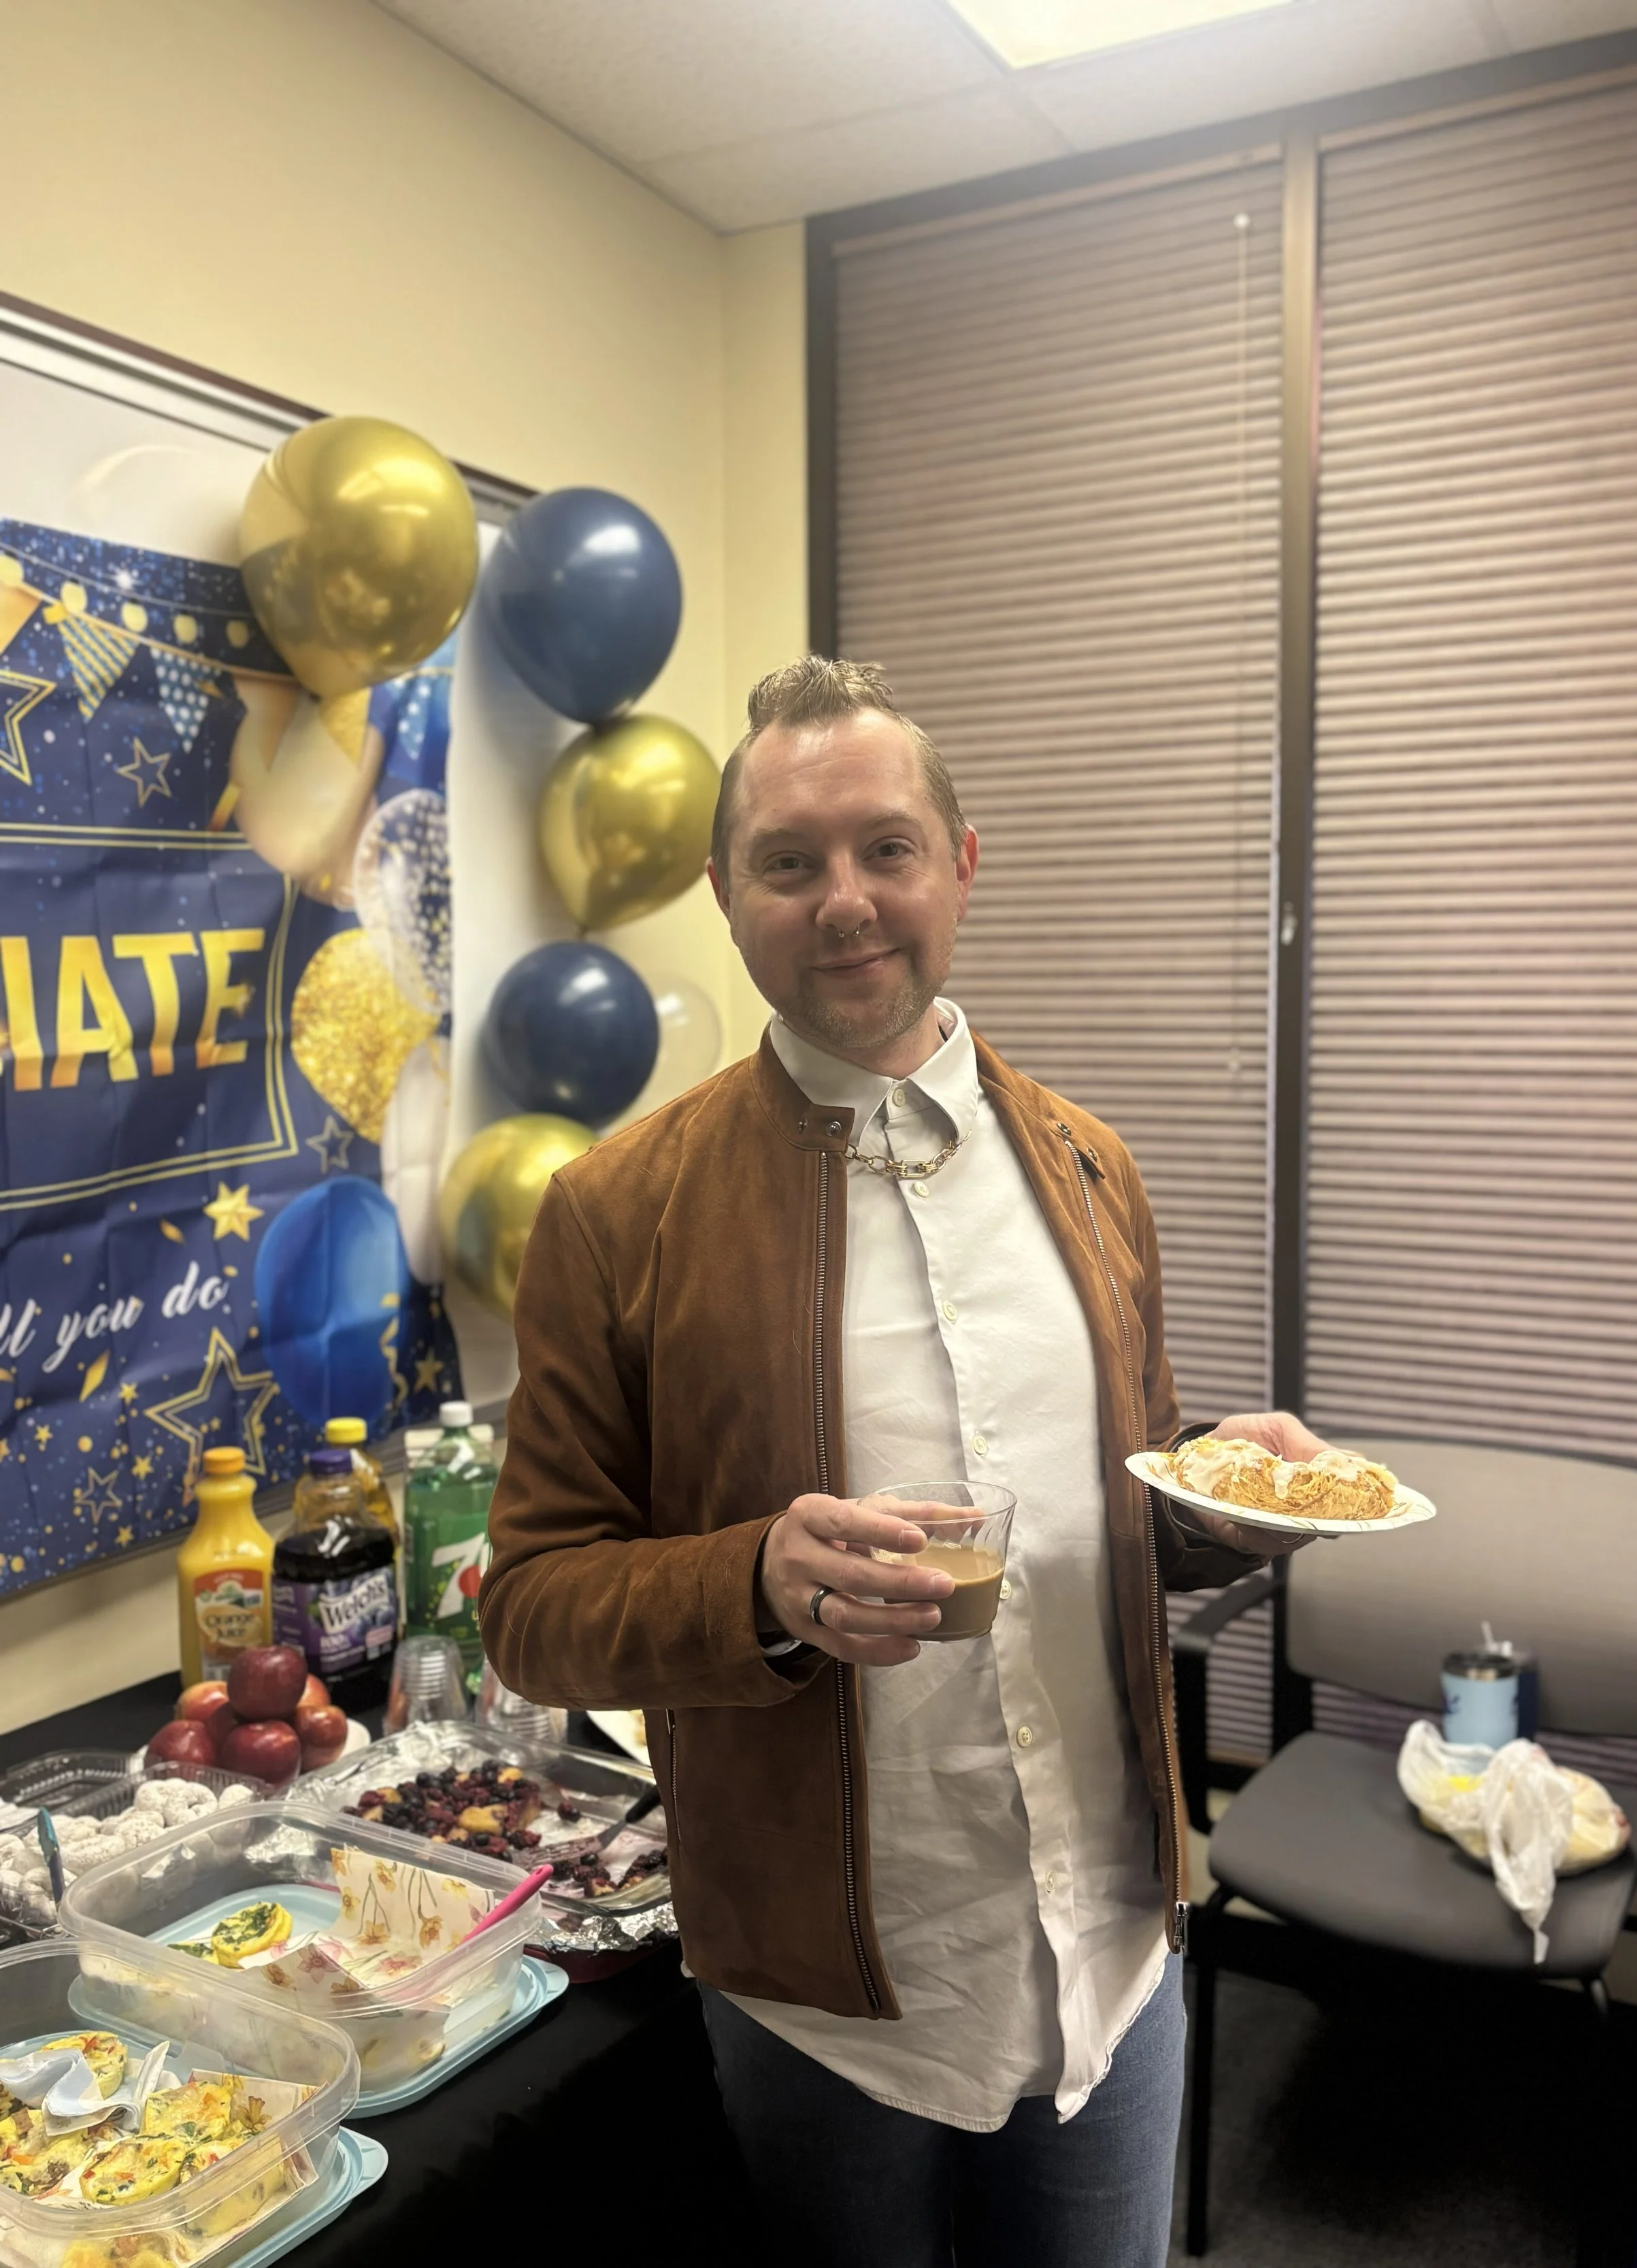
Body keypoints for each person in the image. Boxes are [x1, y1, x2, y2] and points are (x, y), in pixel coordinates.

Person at [482, 656, 1326, 2267]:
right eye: (787, 863)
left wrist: (1225, 1507)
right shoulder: (615, 1214)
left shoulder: (1092, 1171)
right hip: (828, 2001)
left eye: (886, 848)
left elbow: (1128, 1500)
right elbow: (531, 1604)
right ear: (726, 897)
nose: (844, 901)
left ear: (960, 862)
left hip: (1108, 1942)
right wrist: (753, 1580)